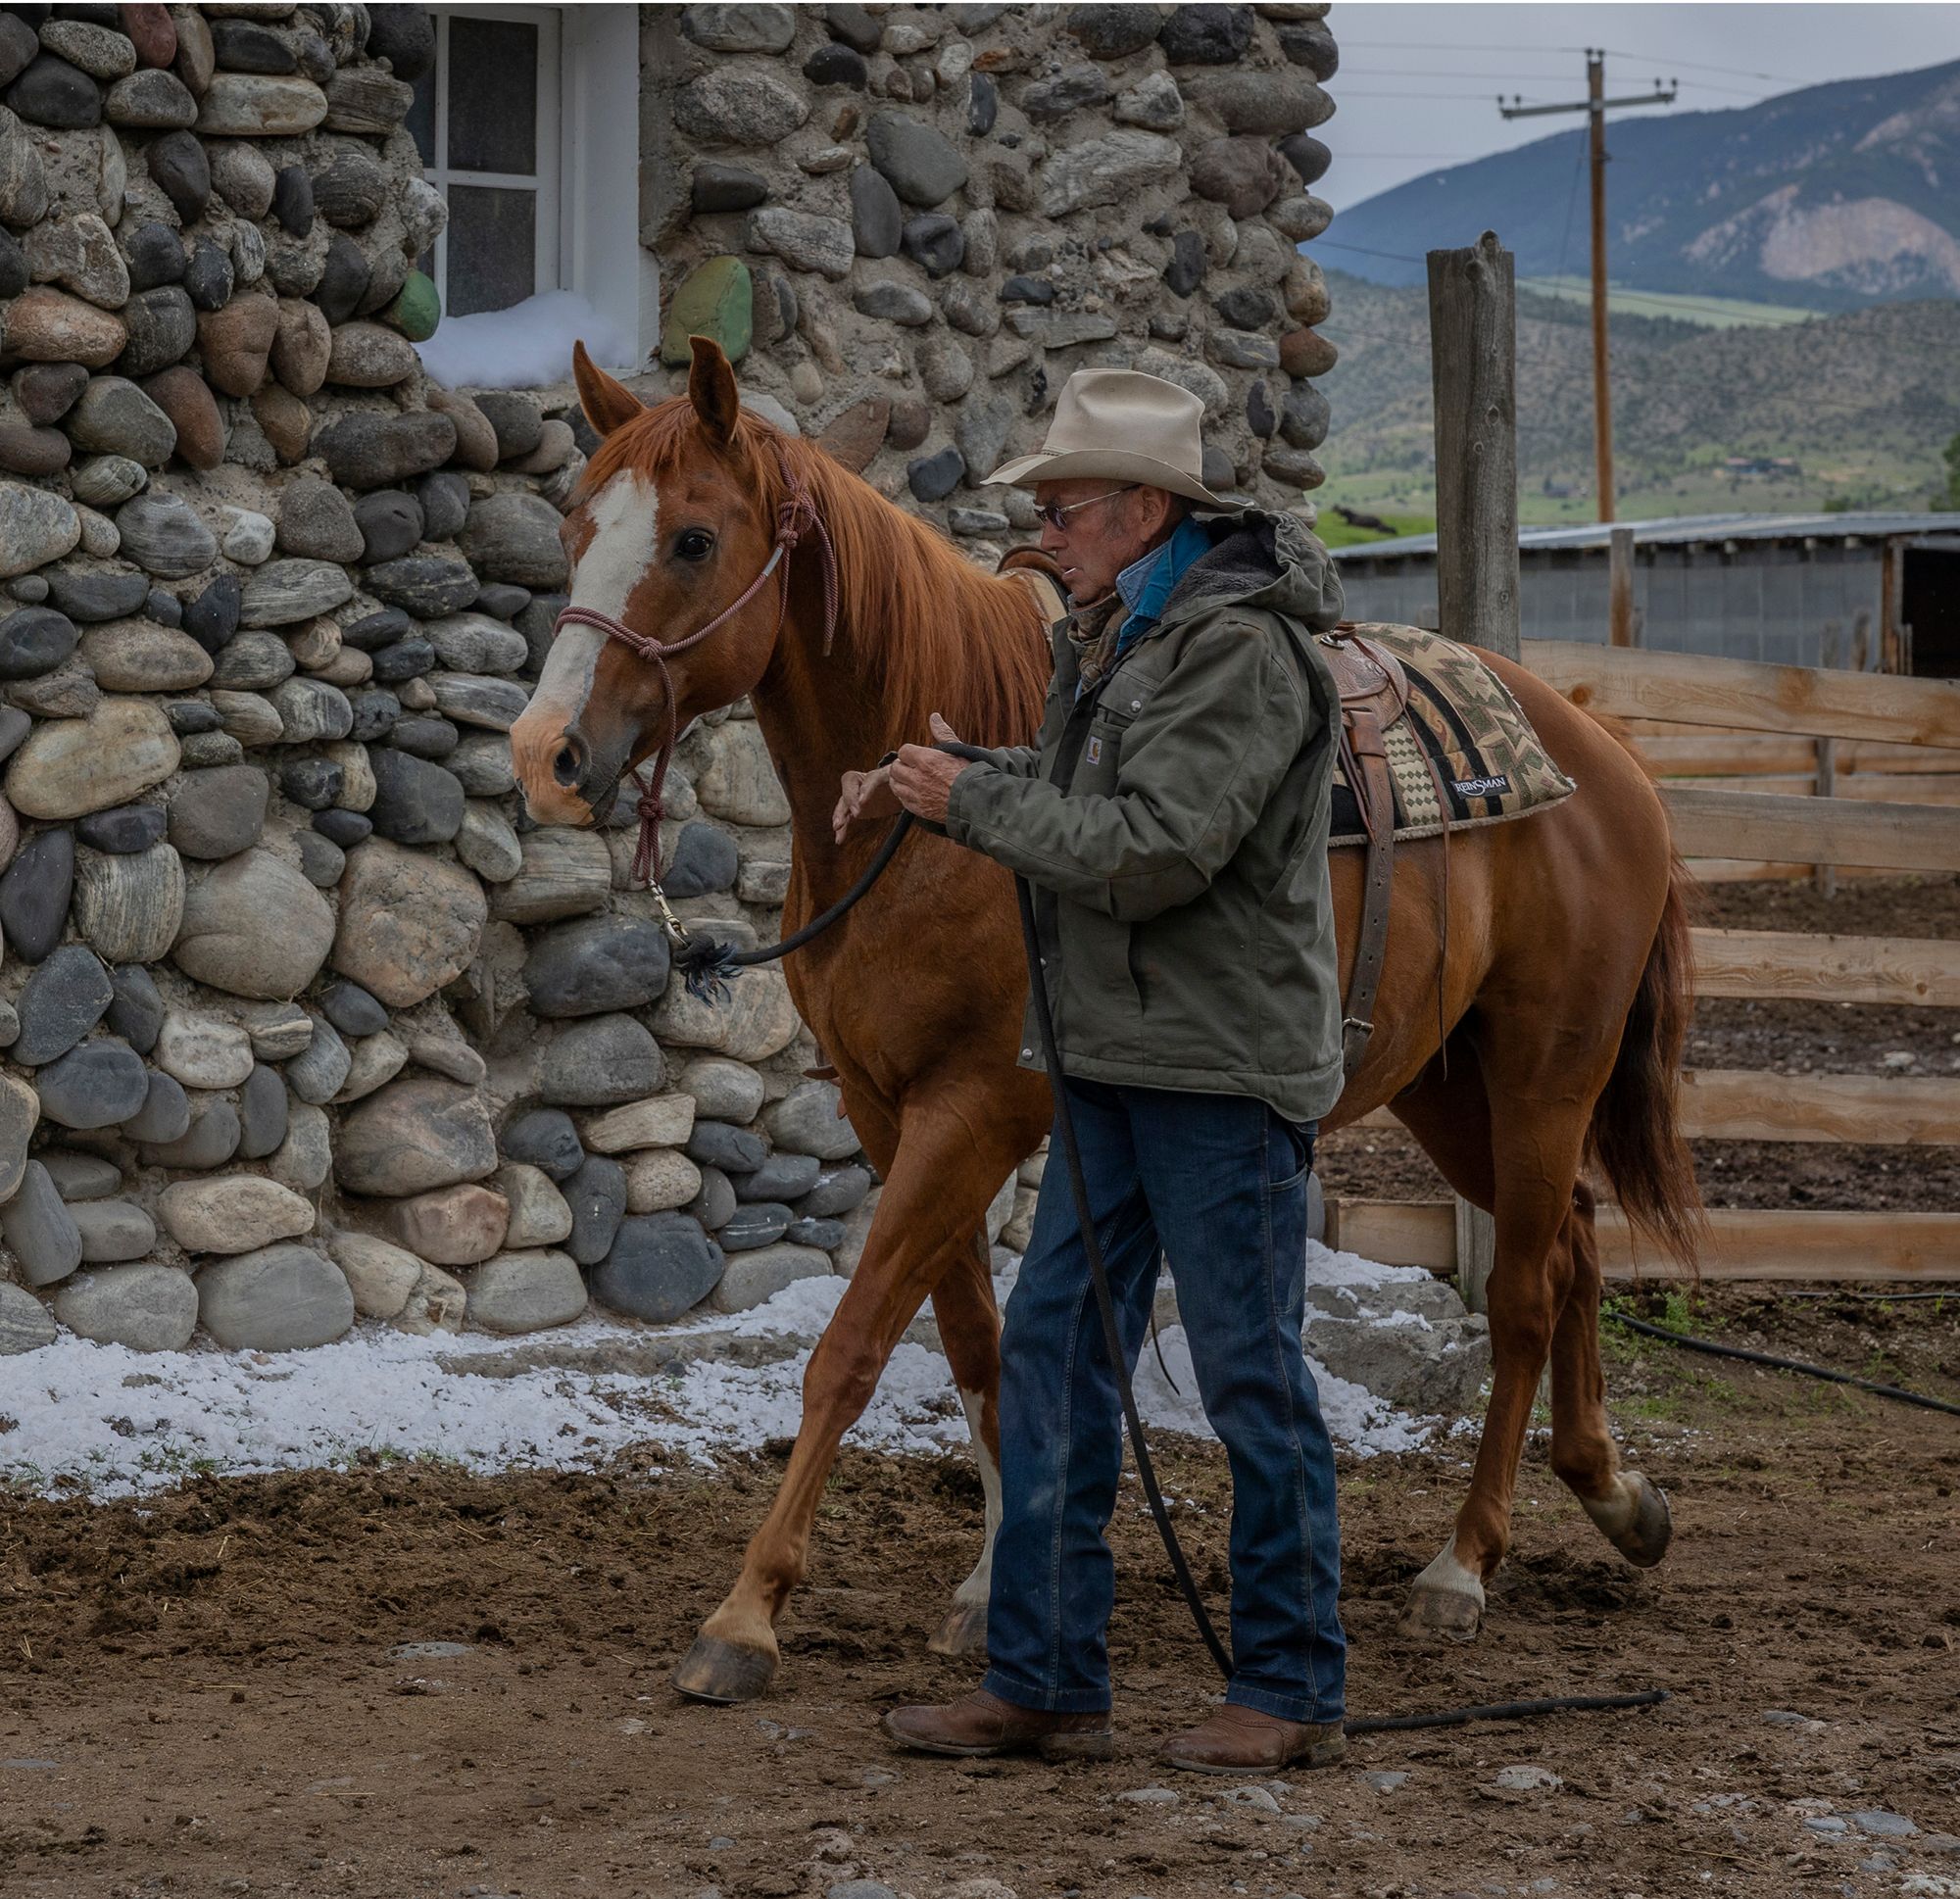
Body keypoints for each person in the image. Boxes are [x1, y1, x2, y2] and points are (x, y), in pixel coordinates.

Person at [834, 367, 1353, 1775]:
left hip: (1217, 1070)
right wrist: (952, 772)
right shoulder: (1126, 631)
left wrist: (969, 800)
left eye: (1063, 509)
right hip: (1117, 1057)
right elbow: (1091, 791)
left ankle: (1292, 1685)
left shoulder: (1237, 653)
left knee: (1248, 1375)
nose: (1044, 533)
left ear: (1142, 509)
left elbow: (1154, 848)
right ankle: (1047, 1676)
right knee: (1055, 1353)